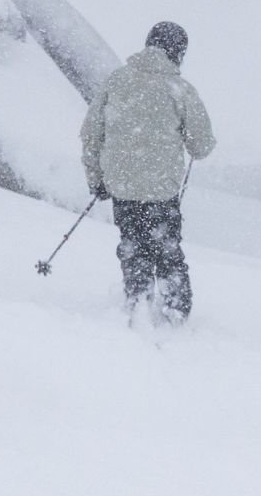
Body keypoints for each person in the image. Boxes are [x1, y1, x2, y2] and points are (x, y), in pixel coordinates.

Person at [80, 21, 216, 325]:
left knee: (133, 244)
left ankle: (138, 300)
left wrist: (97, 180)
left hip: (122, 187)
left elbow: (91, 135)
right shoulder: (180, 90)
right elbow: (202, 146)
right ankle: (175, 309)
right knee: (167, 248)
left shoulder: (116, 81)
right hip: (161, 191)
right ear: (178, 52)